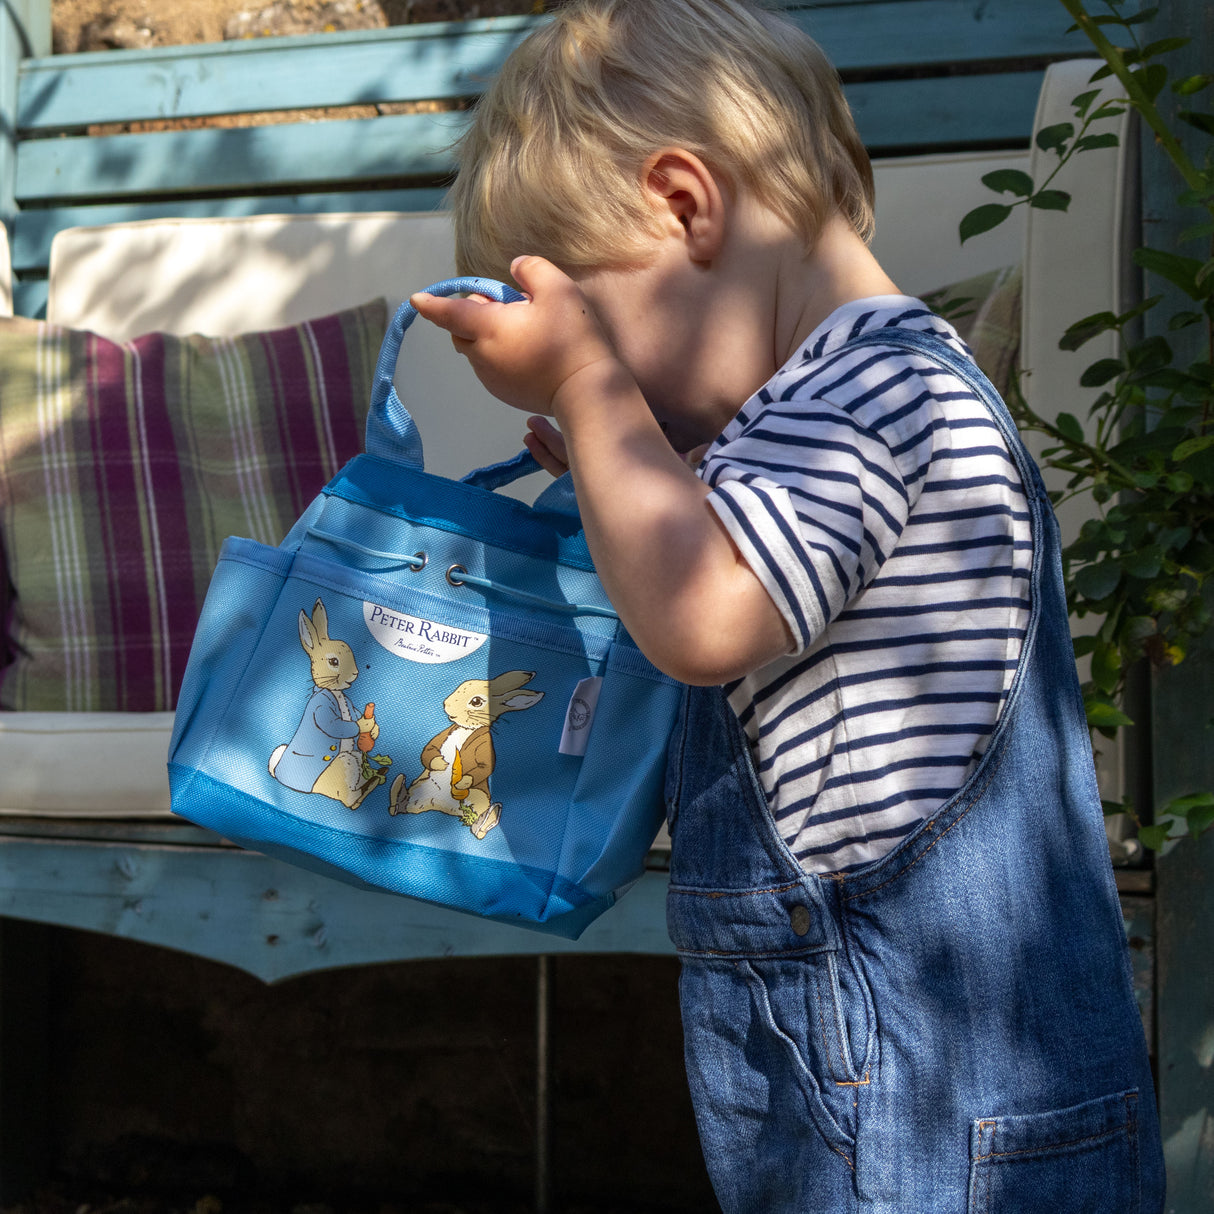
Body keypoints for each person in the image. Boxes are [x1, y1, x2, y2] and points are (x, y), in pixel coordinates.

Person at [410, 1, 1166, 1209]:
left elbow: (700, 617)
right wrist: (627, 453)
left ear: (683, 204)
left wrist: (588, 385)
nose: (607, 388)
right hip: (913, 1103)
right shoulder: (829, 405)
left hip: (930, 1117)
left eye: (596, 322)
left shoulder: (869, 395)